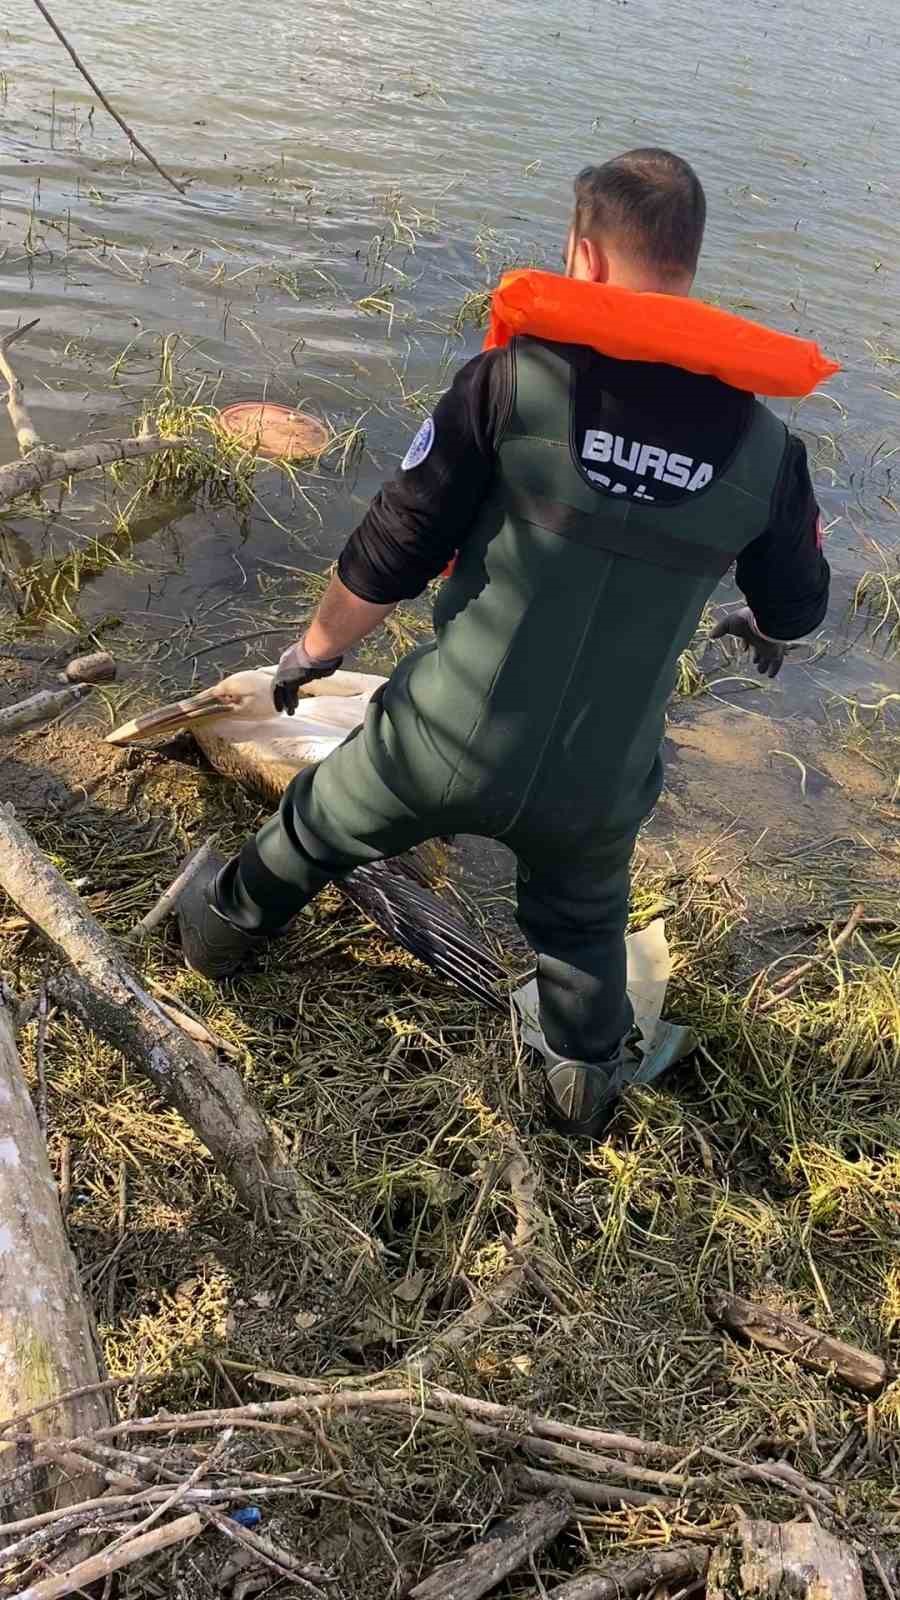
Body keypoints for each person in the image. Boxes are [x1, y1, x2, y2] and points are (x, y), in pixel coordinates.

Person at [178, 148, 831, 1139]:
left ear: (584, 253)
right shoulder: (766, 451)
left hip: (439, 742)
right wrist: (767, 627)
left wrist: (306, 657)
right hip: (595, 784)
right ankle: (580, 1086)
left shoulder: (507, 384)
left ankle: (215, 938)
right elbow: (797, 605)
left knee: (313, 827)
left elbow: (389, 552)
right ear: (688, 262)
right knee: (581, 937)